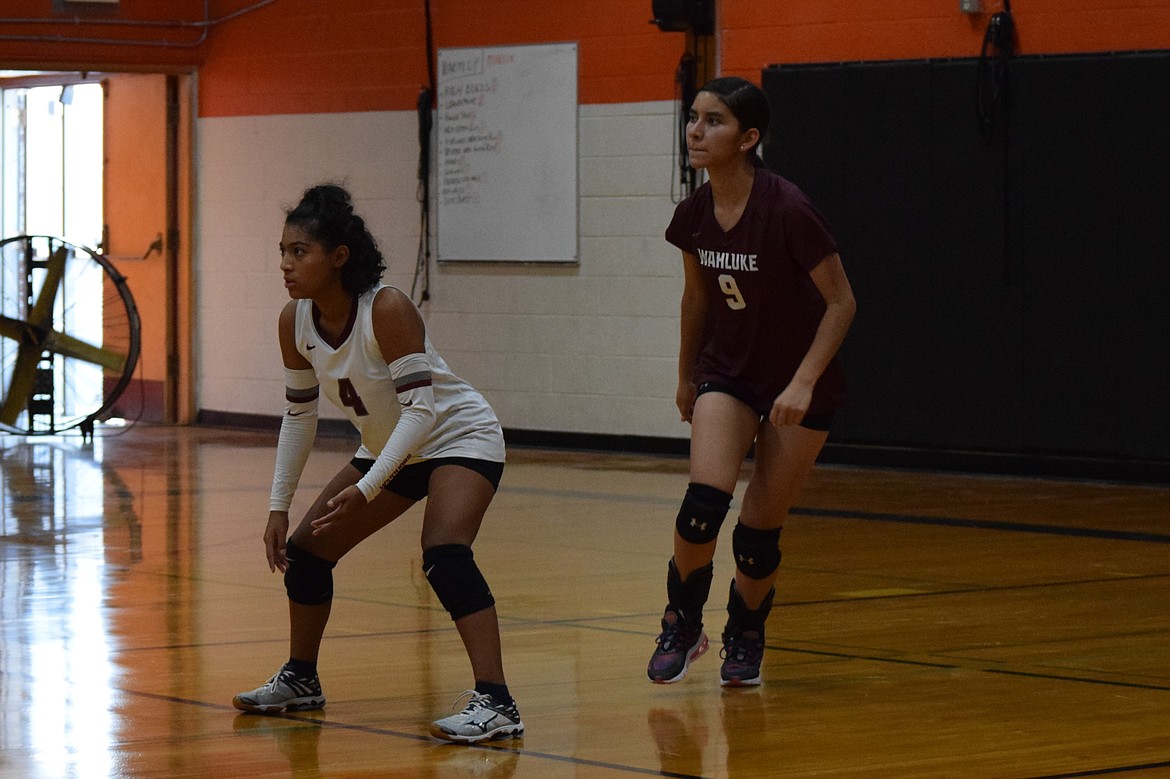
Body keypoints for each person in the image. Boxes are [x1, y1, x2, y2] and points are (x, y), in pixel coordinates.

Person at [232, 184, 523, 743]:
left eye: (300, 252)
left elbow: (421, 411)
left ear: (338, 257)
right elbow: (299, 416)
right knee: (307, 553)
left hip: (456, 437)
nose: (286, 266)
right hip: (391, 445)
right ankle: (301, 679)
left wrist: (368, 488)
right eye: (282, 252)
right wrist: (277, 507)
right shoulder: (293, 321)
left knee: (444, 554)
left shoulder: (385, 307)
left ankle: (497, 702)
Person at [647, 77, 856, 687]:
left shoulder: (788, 209)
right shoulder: (693, 214)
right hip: (728, 375)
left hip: (797, 385)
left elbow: (842, 303)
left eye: (714, 121)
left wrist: (804, 382)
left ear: (749, 138)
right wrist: (687, 375)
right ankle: (682, 622)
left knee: (758, 536)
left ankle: (746, 634)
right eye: (693, 118)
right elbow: (696, 299)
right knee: (699, 510)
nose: (696, 130)